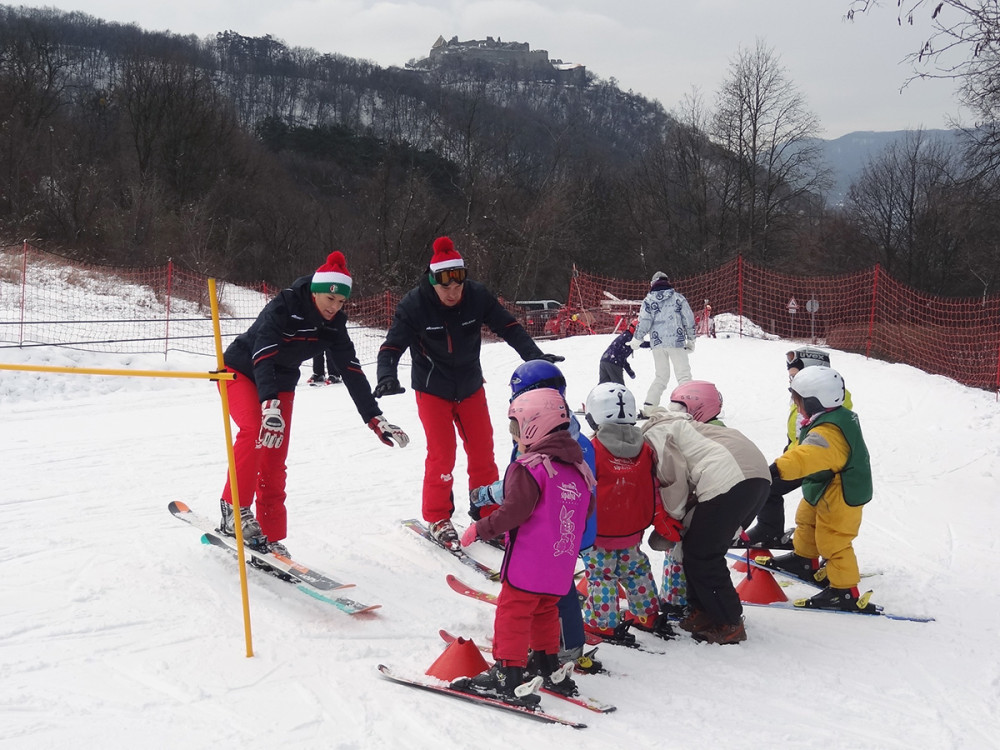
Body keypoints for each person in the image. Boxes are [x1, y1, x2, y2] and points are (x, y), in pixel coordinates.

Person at [374, 236, 563, 552]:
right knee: (442, 454)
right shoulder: (415, 304)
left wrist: (534, 355)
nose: (452, 293)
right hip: (432, 389)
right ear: (433, 281)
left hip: (470, 386)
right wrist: (386, 377)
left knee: (482, 451)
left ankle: (487, 513)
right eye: (445, 287)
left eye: (457, 286)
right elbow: (391, 346)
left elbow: (509, 327)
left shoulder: (476, 296)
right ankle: (438, 517)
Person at [218, 252, 409, 556]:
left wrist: (375, 418)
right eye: (329, 299)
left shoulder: (334, 325)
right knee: (255, 430)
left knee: (274, 458)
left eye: (341, 302)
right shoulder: (285, 305)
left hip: (280, 384)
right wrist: (269, 404)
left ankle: (269, 536)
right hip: (240, 371)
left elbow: (351, 369)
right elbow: (263, 353)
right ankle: (233, 510)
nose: (334, 307)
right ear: (316, 290)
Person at [453, 388, 596, 704]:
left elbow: (514, 511)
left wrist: (479, 528)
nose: (516, 439)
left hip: (528, 565)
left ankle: (507, 673)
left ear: (534, 426)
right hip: (560, 566)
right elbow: (584, 512)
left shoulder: (529, 468)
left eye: (517, 430)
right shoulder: (579, 470)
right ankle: (545, 664)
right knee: (545, 610)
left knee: (513, 614)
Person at [641, 381, 770, 644]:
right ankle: (704, 610)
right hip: (757, 477)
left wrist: (672, 518)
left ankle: (729, 621)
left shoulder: (655, 434)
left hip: (730, 478)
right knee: (698, 547)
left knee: (703, 554)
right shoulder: (682, 424)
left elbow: (673, 479)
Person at [761, 366, 873, 610]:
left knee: (833, 540)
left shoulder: (829, 431)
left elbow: (806, 456)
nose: (795, 404)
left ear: (814, 401)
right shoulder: (830, 418)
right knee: (806, 520)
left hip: (843, 493)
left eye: (798, 400)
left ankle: (844, 592)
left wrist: (774, 470)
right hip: (825, 485)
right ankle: (803, 560)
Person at [741, 346, 854, 549]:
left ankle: (774, 533)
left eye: (796, 376)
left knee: (768, 487)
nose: (791, 382)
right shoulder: (805, 397)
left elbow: (818, 442)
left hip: (816, 462)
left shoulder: (828, 402)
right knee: (767, 486)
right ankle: (771, 530)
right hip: (801, 456)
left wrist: (786, 463)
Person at [580, 382, 662, 643]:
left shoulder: (591, 450)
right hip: (633, 529)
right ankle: (647, 614)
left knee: (602, 576)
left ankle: (603, 623)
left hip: (600, 531)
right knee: (637, 569)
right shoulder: (646, 448)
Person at [628, 271, 696, 416]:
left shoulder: (649, 300)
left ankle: (650, 406)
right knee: (683, 375)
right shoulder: (678, 298)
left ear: (653, 283)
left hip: (657, 344)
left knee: (661, 376)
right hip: (676, 342)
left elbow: (644, 321)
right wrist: (691, 339)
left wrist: (637, 338)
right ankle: (690, 404)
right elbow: (688, 319)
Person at [597, 318, 644, 385]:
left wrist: (629, 370)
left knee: (604, 386)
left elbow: (621, 357)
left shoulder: (625, 336)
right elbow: (641, 344)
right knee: (618, 387)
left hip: (604, 360)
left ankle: (599, 395)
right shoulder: (629, 337)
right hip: (614, 362)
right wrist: (655, 344)